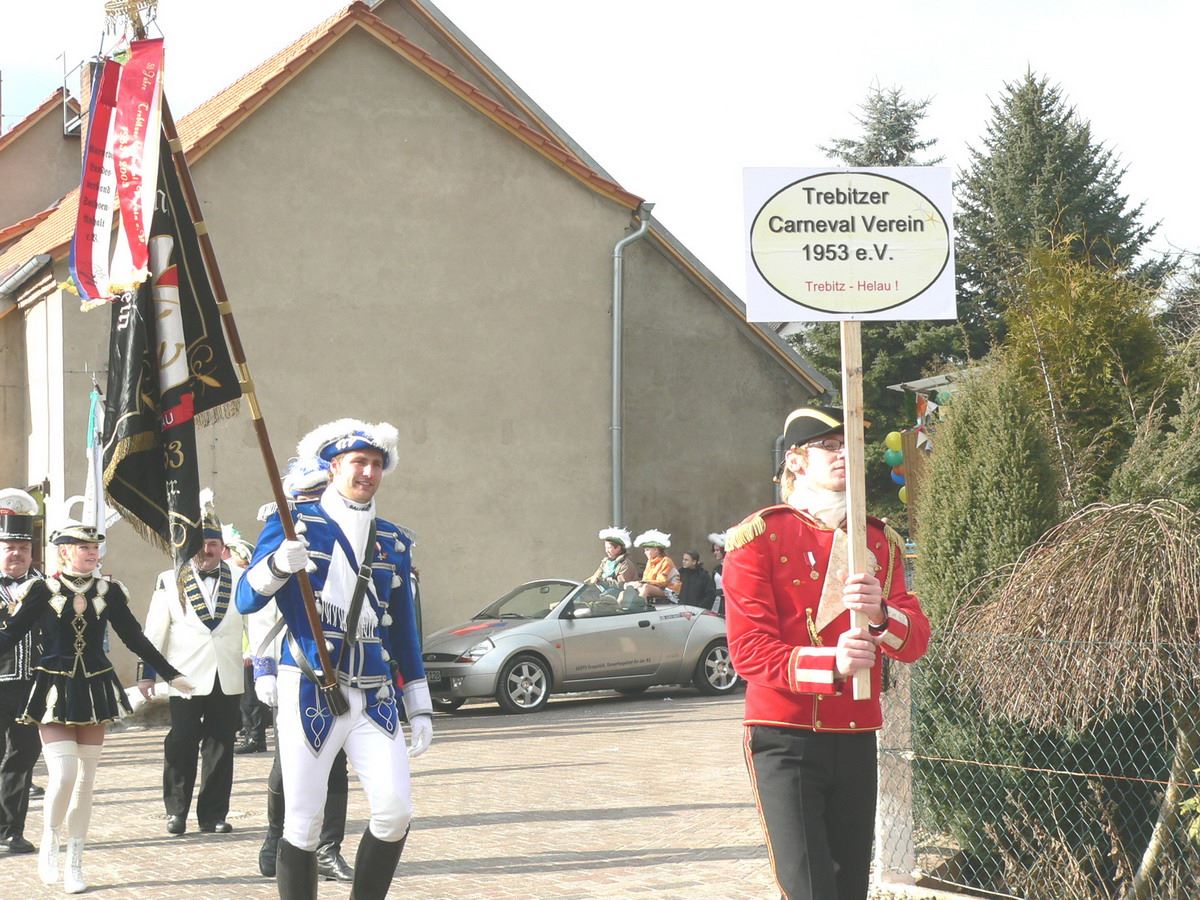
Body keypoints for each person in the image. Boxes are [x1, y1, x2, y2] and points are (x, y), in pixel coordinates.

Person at [722, 406, 931, 900]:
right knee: (809, 888)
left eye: (849, 447)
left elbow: (915, 641)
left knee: (848, 886)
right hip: (785, 733)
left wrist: (880, 613)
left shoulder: (877, 540)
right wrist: (831, 663)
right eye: (829, 446)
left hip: (855, 732)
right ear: (796, 461)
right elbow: (749, 651)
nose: (843, 455)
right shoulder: (759, 536)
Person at [237, 419, 431, 899]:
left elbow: (403, 628)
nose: (368, 472)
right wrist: (277, 564)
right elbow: (246, 599)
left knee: (395, 812)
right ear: (333, 467)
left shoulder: (393, 540)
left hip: (374, 693)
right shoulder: (294, 523)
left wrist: (418, 700)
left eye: (376, 464)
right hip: (309, 684)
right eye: (358, 462)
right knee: (302, 822)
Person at [0, 522, 192, 893]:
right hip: (53, 688)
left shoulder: (109, 591)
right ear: (64, 551)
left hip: (94, 688)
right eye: (83, 547)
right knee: (64, 774)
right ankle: (50, 838)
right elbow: (10, 634)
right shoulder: (41, 590)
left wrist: (170, 673)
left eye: (94, 547)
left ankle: (75, 860)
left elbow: (134, 638)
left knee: (86, 781)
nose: (92, 553)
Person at [137, 492, 247, 836]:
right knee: (182, 741)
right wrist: (147, 673)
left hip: (227, 674)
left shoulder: (241, 577)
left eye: (213, 544)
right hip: (184, 677)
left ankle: (213, 814)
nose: (207, 549)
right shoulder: (170, 579)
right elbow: (155, 629)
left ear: (222, 546)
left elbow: (254, 623)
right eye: (201, 543)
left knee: (221, 745)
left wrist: (262, 662)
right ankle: (176, 811)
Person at [0, 490, 44, 856]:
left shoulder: (45, 587)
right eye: (9, 547)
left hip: (32, 686)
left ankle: (11, 830)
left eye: (23, 548)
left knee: (24, 756)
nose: (17, 554)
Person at [225, 525, 270, 756]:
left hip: (249, 650)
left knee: (251, 699)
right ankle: (248, 732)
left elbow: (253, 621)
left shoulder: (248, 584)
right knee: (244, 699)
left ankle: (256, 737)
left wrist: (250, 649)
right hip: (237, 650)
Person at [626, 529, 682, 603]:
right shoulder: (649, 562)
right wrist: (638, 584)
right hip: (657, 588)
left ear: (656, 550)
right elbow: (645, 579)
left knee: (646, 587)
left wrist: (643, 582)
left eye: (647, 550)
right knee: (629, 585)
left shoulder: (666, 561)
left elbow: (662, 582)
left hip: (670, 591)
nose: (645, 552)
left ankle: (639, 606)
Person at [706, 532, 727, 614]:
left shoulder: (734, 567)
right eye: (714, 550)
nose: (715, 553)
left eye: (717, 550)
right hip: (718, 603)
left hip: (730, 602)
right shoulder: (716, 569)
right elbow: (712, 589)